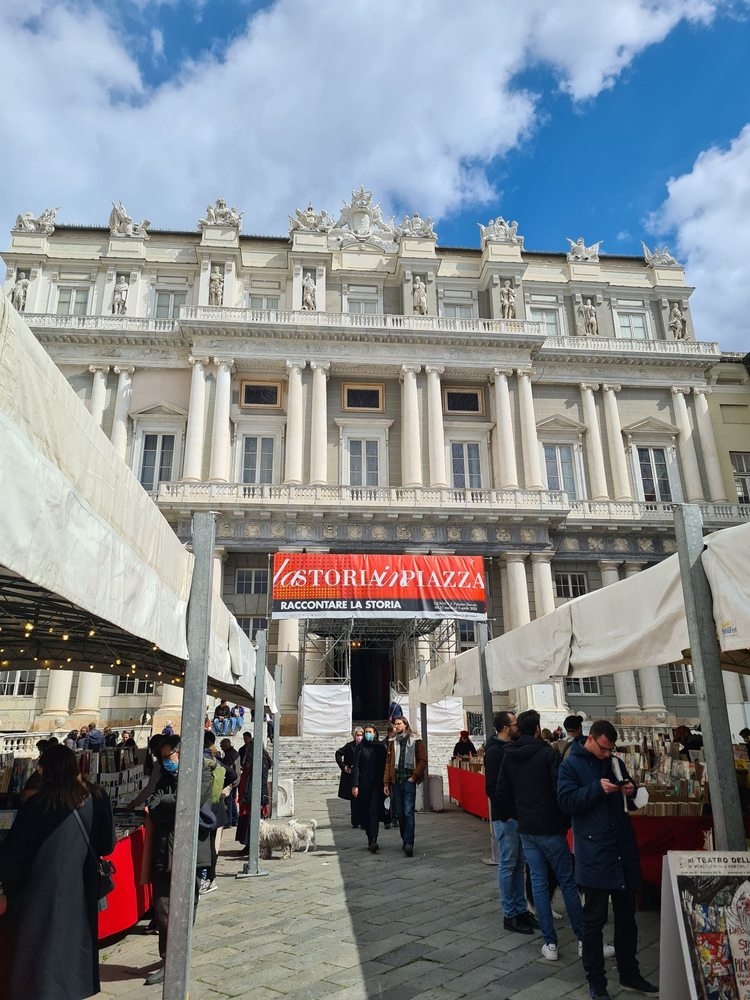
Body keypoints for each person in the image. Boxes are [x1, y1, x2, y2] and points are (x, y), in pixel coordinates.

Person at [0, 744, 115, 1000]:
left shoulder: (36, 804)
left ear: (45, 771)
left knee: (36, 955)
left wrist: (7, 887)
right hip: (81, 887)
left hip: (36, 890)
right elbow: (107, 844)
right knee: (74, 948)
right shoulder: (97, 797)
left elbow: (13, 853)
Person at [558, 719, 659, 999]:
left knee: (628, 918)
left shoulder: (614, 761)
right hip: (594, 852)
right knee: (594, 921)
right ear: (591, 739)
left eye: (610, 749)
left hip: (622, 849)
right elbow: (565, 801)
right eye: (603, 748)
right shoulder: (570, 764)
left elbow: (631, 790)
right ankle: (597, 982)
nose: (607, 753)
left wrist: (630, 788)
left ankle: (630, 974)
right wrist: (595, 790)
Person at [496, 709, 584, 962]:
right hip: (550, 828)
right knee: (567, 882)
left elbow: (502, 794)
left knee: (538, 884)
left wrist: (520, 814)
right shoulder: (548, 754)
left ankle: (550, 943)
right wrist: (562, 820)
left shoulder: (509, 756)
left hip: (527, 829)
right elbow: (561, 791)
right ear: (537, 729)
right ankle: (582, 939)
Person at [144, 735, 213, 985]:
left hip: (192, 849)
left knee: (187, 903)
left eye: (168, 757)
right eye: (162, 759)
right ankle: (168, 957)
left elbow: (191, 801)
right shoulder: (163, 777)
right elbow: (153, 806)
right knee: (162, 908)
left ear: (180, 753)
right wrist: (167, 803)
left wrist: (164, 802)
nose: (166, 762)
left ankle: (178, 954)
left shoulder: (203, 774)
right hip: (165, 849)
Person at [483, 711, 533, 933]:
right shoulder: (494, 752)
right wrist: (509, 813)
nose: (517, 727)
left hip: (519, 815)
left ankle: (521, 910)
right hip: (507, 818)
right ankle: (510, 913)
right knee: (508, 864)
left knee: (520, 864)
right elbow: (492, 788)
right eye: (514, 724)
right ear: (505, 728)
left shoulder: (512, 747)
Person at [383, 716, 427, 857]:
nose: (397, 726)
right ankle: (404, 838)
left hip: (409, 781)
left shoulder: (415, 740)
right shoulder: (392, 742)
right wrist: (386, 782)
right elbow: (388, 763)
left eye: (399, 724)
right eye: (395, 724)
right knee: (400, 813)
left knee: (408, 812)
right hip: (396, 781)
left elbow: (423, 760)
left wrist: (414, 776)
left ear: (406, 725)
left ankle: (409, 843)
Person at [352, 724, 387, 853]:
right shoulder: (360, 748)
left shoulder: (381, 748)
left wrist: (386, 783)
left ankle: (374, 840)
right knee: (366, 812)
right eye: (366, 732)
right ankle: (369, 837)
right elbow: (356, 767)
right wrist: (355, 785)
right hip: (364, 786)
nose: (368, 734)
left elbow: (385, 766)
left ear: (375, 733)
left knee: (374, 812)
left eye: (370, 732)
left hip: (377, 786)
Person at [236, 735, 273, 846]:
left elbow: (254, 780)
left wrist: (246, 796)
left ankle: (252, 846)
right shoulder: (262, 758)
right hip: (252, 794)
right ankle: (249, 846)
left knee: (251, 822)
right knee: (248, 821)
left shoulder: (259, 760)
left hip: (252, 795)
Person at [336, 726, 364, 828]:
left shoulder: (365, 745)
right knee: (354, 799)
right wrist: (344, 766)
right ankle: (355, 821)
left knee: (363, 799)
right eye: (358, 735)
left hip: (362, 775)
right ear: (354, 735)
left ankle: (363, 820)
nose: (360, 737)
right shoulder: (349, 746)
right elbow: (338, 753)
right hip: (352, 775)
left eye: (361, 735)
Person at [219, 738, 241, 827]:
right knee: (232, 800)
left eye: (222, 746)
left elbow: (228, 769)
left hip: (231, 780)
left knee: (229, 801)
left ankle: (229, 821)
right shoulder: (234, 752)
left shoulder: (230, 755)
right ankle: (235, 819)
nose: (221, 748)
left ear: (226, 745)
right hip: (236, 779)